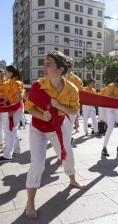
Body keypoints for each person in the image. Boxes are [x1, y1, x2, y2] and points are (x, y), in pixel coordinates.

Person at [25, 50, 85, 219]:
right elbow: (28, 108)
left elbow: (74, 110)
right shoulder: (38, 86)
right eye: (44, 64)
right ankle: (30, 202)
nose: (44, 68)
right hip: (37, 128)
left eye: (48, 64)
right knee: (37, 163)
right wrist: (42, 115)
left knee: (67, 155)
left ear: (60, 69)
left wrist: (60, 106)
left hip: (56, 128)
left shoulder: (72, 89)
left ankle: (72, 179)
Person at [0, 66, 23, 162]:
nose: (4, 74)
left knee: (9, 131)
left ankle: (7, 155)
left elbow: (19, 98)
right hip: (14, 107)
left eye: (5, 72)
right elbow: (13, 97)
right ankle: (16, 150)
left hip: (15, 108)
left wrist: (14, 109)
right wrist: (7, 99)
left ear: (11, 73)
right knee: (13, 130)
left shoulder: (15, 82)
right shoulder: (12, 82)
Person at [64, 57, 83, 143]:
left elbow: (80, 94)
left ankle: (64, 153)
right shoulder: (56, 78)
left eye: (68, 65)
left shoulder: (76, 80)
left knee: (67, 130)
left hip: (70, 108)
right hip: (58, 107)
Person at [0, 68, 9, 150]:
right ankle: (1, 143)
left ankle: (8, 145)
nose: (0, 77)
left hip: (6, 107)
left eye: (2, 75)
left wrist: (8, 98)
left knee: (7, 126)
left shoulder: (8, 83)